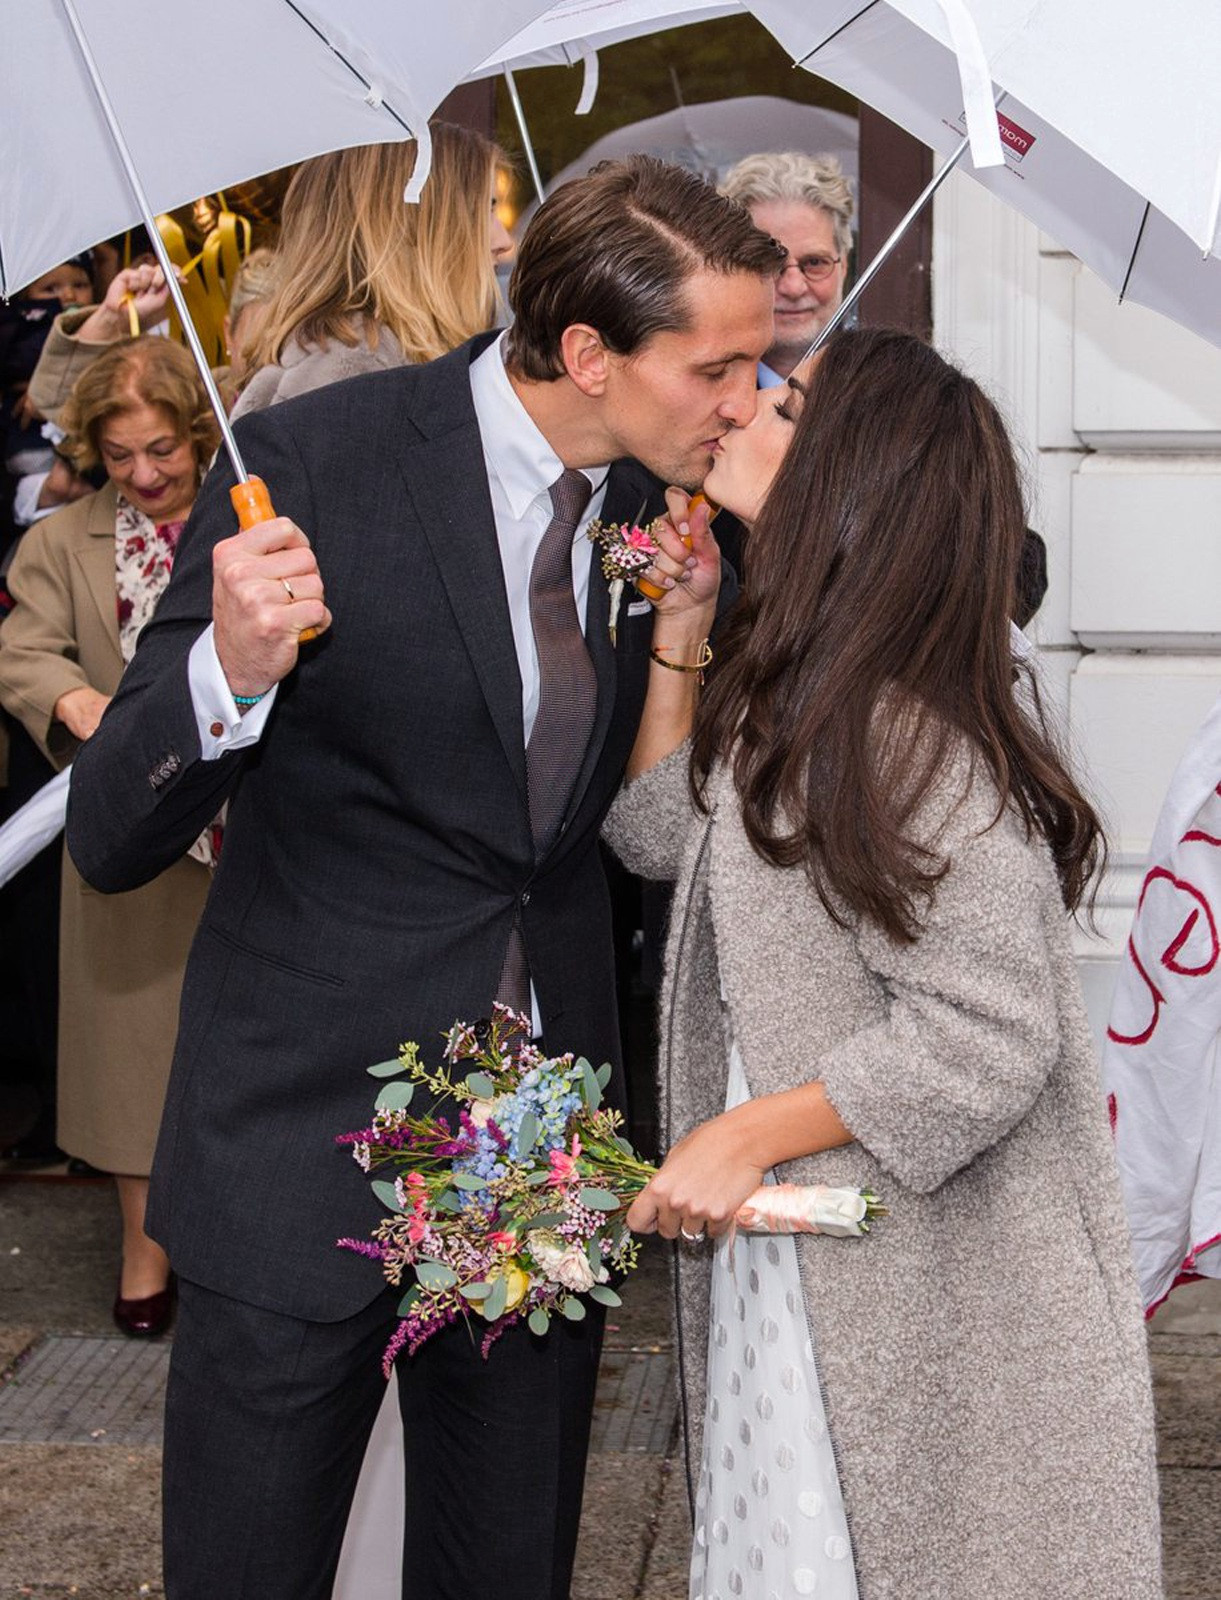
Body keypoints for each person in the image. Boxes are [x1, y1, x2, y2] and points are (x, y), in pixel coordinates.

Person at [65, 155, 784, 1600]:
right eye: (720, 367)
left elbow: (626, 828)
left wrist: (699, 622)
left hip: (531, 1132)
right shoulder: (322, 460)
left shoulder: (665, 510)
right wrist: (229, 670)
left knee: (503, 1558)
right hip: (303, 1125)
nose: (744, 403)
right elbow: (110, 827)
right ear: (589, 354)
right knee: (250, 1564)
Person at [606, 328, 1162, 1598]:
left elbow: (986, 1034)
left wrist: (746, 1130)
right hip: (822, 1259)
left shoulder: (906, 735)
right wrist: (686, 630)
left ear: (853, 482)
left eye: (786, 406)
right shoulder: (801, 689)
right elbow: (652, 836)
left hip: (924, 1291)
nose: (743, 406)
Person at [0, 338, 220, 1332]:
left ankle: (234, 1251)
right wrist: (86, 706)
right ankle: (144, 1250)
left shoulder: (249, 514)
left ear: (200, 432)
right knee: (134, 1062)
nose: (144, 473)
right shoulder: (61, 541)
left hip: (251, 833)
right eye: (121, 453)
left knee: (236, 1054)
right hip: (129, 837)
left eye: (164, 449)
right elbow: (23, 653)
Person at [232, 123, 512, 417]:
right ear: (413, 226)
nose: (504, 241)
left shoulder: (386, 366)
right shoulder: (354, 377)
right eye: (487, 208)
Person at [721, 151, 853, 385]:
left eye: (814, 263)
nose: (793, 288)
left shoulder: (888, 394)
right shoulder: (698, 400)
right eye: (770, 264)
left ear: (843, 266)